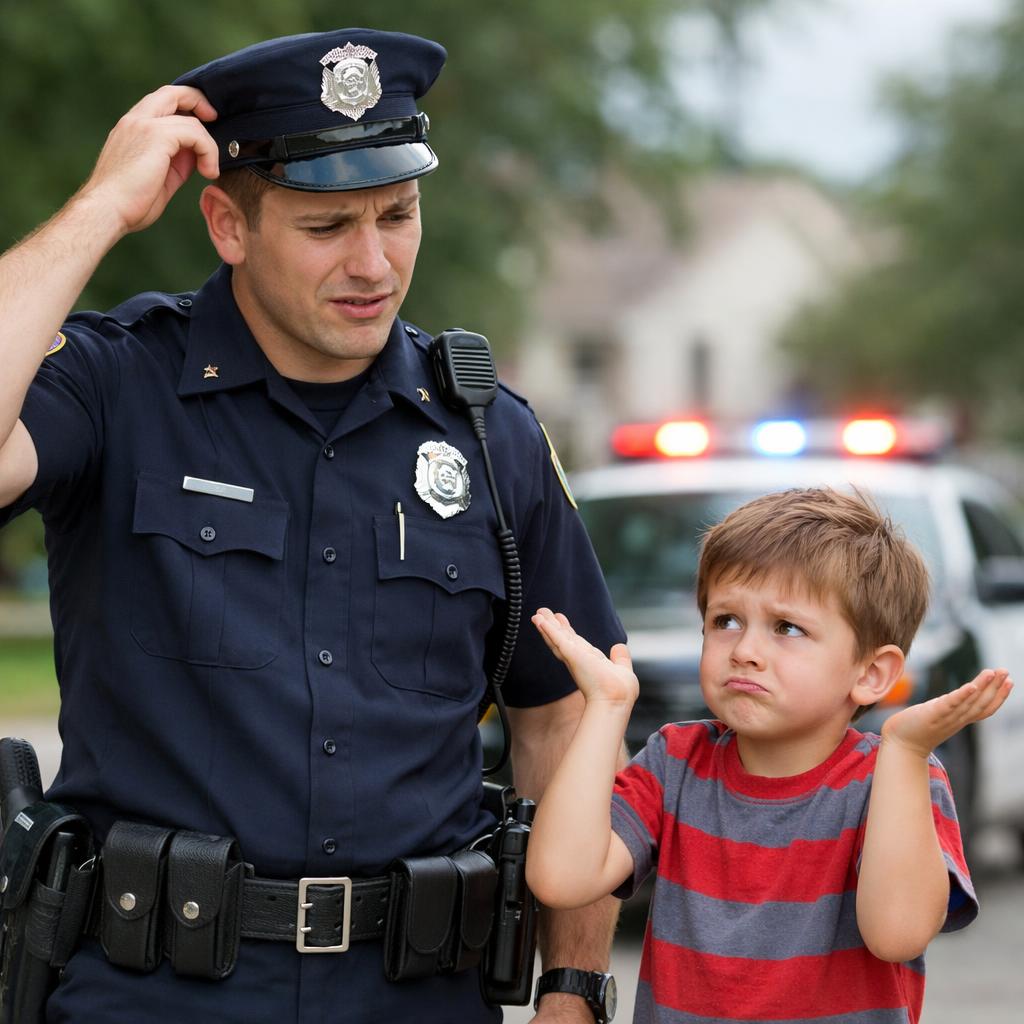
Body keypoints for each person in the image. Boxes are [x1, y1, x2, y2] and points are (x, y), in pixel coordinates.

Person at [0, 28, 626, 1024]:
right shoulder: (118, 385)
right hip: (156, 994)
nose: (374, 261)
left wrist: (572, 988)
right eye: (326, 225)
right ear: (228, 224)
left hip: (417, 994)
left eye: (398, 213)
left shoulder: (487, 435)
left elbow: (564, 719)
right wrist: (100, 209)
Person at [526, 487, 1014, 1024]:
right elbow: (561, 878)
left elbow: (897, 933)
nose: (745, 651)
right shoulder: (675, 760)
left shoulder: (897, 779)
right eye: (725, 620)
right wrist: (606, 706)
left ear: (871, 673)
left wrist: (906, 750)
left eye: (787, 628)